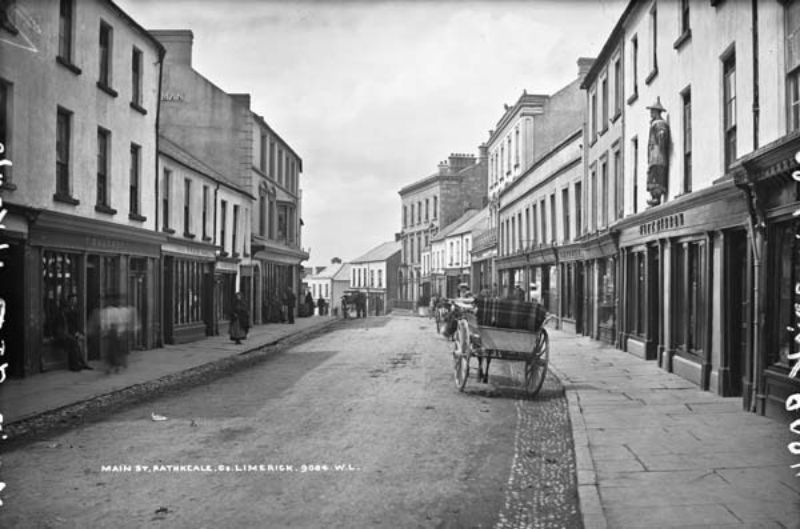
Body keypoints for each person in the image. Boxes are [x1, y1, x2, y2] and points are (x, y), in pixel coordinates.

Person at [56, 294, 92, 371]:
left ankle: (80, 363)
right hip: (62, 336)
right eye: (72, 300)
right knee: (74, 343)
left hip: (69, 334)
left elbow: (73, 325)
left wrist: (77, 333)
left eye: (74, 300)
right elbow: (61, 329)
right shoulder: (62, 314)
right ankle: (75, 365)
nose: (73, 302)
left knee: (77, 344)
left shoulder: (72, 312)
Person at [646, 97, 671, 207]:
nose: (651, 113)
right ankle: (654, 197)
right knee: (652, 174)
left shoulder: (659, 123)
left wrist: (661, 141)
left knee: (657, 174)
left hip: (657, 156)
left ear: (657, 112)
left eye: (652, 111)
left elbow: (662, 137)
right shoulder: (654, 123)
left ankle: (657, 197)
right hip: (653, 156)